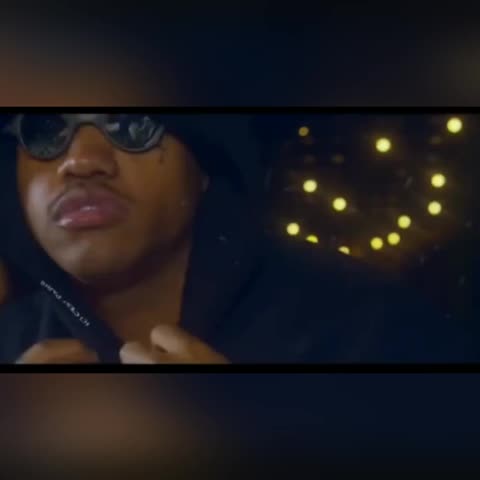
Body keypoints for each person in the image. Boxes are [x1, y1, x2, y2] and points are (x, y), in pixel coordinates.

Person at [0, 113, 475, 364]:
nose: (81, 161)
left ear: (205, 167)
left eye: (132, 125)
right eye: (44, 129)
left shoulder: (378, 331)